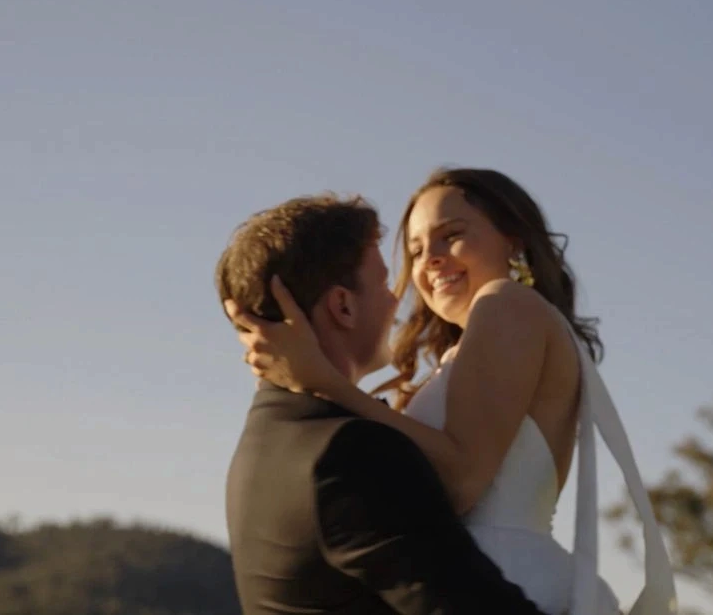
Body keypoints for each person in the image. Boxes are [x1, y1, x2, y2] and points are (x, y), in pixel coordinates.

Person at [229, 168, 676, 615]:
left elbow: (463, 482)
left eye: (451, 236)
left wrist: (323, 383)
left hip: (500, 578)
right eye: (417, 250)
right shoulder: (470, 350)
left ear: (513, 240)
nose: (431, 260)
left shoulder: (507, 302)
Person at [216, 193, 553, 615]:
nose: (397, 298)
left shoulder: (263, 443)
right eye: (382, 282)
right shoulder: (353, 452)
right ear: (343, 305)